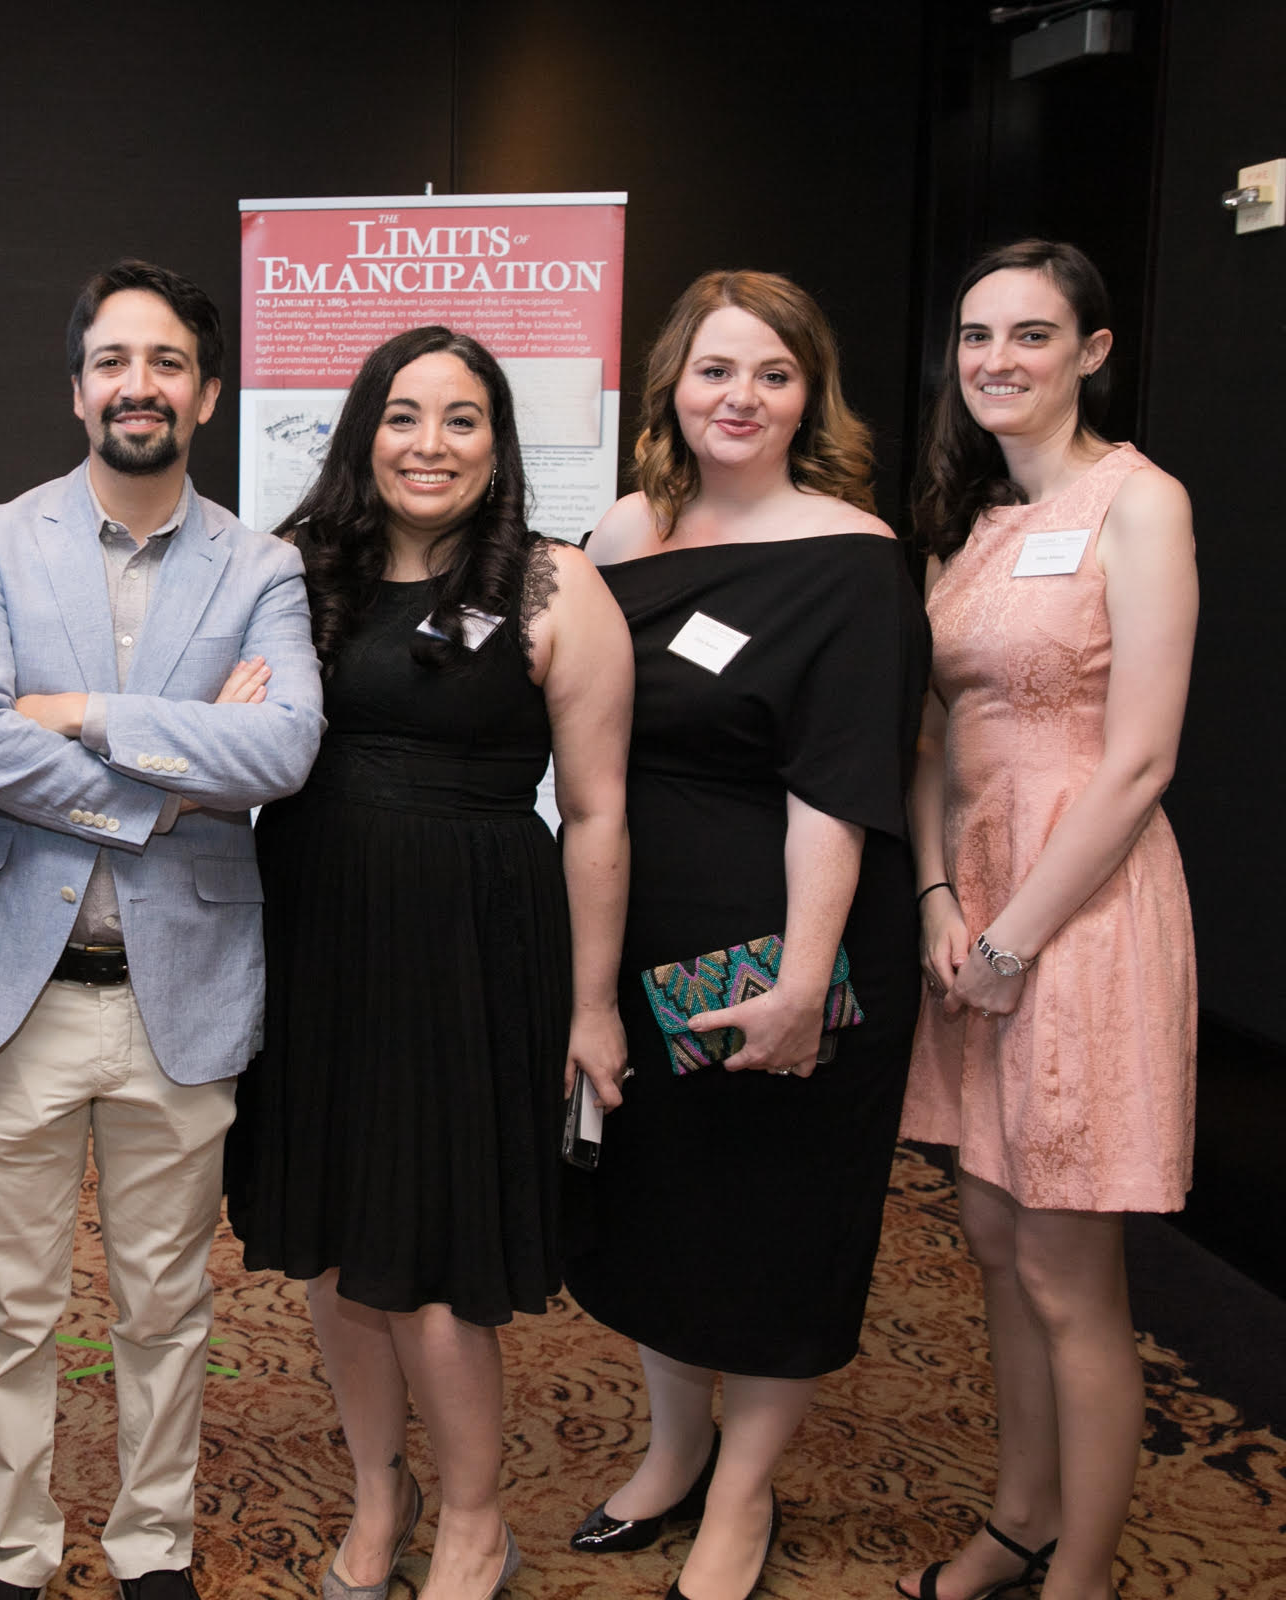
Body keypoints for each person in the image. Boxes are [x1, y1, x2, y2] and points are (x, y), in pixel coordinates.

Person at [0, 259, 326, 1600]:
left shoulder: (263, 562)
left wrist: (80, 713)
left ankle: (155, 1549)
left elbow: (281, 749)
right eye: (112, 361)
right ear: (78, 383)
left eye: (164, 363)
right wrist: (172, 781)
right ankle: (11, 1553)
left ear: (205, 394)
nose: (136, 385)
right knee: (8, 1312)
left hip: (182, 988)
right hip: (15, 987)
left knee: (165, 1309)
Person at [224, 326, 634, 1600]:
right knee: (338, 1246)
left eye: (463, 421)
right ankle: (376, 1487)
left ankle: (473, 1514)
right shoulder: (296, 573)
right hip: (316, 935)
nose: (430, 445)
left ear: (500, 444)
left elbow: (603, 813)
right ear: (364, 432)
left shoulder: (557, 585)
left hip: (468, 948)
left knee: (437, 1264)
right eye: (404, 417)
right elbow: (229, 730)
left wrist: (594, 1003)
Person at [562, 271, 929, 1600]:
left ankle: (743, 1495)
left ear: (809, 395)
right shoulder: (620, 535)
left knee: (778, 1223)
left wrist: (802, 981)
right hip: (639, 940)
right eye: (717, 370)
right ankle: (672, 1454)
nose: (743, 398)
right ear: (672, 385)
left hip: (792, 949)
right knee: (660, 1210)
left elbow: (840, 784)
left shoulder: (853, 553)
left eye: (774, 374)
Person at [895, 241, 1197, 1600]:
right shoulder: (968, 524)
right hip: (973, 907)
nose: (997, 361)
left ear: (1093, 349)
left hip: (1082, 910)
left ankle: (1081, 1572)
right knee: (999, 1241)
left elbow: (1139, 760)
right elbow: (925, 743)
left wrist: (1017, 934)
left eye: (1030, 334)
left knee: (1073, 1269)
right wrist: (940, 900)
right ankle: (1020, 1522)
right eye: (976, 336)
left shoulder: (1141, 503)